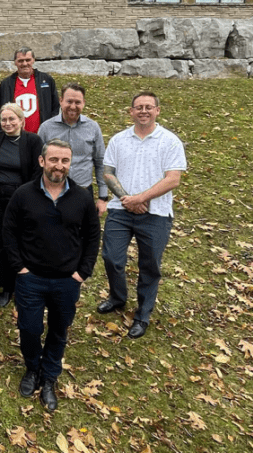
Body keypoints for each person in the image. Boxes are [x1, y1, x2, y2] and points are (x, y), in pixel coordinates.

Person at [3, 140, 100, 412]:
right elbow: (8, 232)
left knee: (58, 331)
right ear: (42, 161)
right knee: (30, 329)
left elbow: (93, 237)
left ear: (70, 164)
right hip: (30, 279)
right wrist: (19, 267)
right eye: (54, 160)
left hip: (67, 282)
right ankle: (32, 369)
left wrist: (82, 273)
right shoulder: (23, 195)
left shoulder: (81, 198)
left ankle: (49, 378)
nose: (59, 166)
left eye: (65, 161)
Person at [98, 92, 186, 339]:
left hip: (156, 214)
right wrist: (129, 200)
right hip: (120, 211)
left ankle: (143, 315)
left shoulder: (169, 141)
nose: (143, 111)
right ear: (131, 111)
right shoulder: (118, 140)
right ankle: (117, 297)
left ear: (158, 110)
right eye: (139, 107)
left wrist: (141, 198)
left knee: (150, 265)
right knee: (112, 258)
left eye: (149, 107)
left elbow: (173, 179)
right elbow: (108, 173)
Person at [0, 103, 44, 308]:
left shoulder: (33, 141)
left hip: (21, 196)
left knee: (20, 240)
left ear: (21, 120)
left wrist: (29, 195)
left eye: (11, 119)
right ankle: (5, 285)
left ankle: (22, 281)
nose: (7, 123)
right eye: (3, 119)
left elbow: (37, 171)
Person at [37, 83, 109, 215]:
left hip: (82, 191)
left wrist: (103, 197)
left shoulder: (93, 128)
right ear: (61, 101)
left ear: (84, 103)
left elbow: (100, 162)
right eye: (69, 101)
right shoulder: (46, 128)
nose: (73, 106)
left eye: (78, 102)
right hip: (51, 193)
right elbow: (37, 163)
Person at [0, 47, 58, 134]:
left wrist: (51, 129)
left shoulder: (46, 80)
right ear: (15, 62)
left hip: (42, 136)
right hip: (15, 137)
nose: (24, 64)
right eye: (20, 61)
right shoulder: (6, 84)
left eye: (28, 60)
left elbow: (56, 107)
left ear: (33, 60)